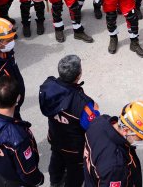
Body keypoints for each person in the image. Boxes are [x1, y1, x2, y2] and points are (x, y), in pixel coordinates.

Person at [39, 55, 100, 187]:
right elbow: (94, 128)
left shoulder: (47, 87)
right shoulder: (83, 104)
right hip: (74, 149)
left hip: (55, 139)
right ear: (78, 75)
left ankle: (55, 182)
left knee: (56, 161)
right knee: (75, 175)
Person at [0, 76, 44, 187]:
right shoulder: (18, 137)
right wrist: (39, 179)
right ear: (18, 98)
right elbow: (27, 172)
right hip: (16, 181)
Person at [83, 101, 143, 187]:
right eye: (140, 138)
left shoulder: (100, 121)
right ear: (126, 130)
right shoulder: (116, 168)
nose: (141, 141)